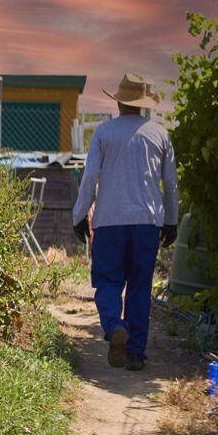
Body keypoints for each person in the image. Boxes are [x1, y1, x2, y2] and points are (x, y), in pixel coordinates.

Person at [71, 73, 179, 372]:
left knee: (107, 281)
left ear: (118, 101)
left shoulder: (104, 134)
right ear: (144, 106)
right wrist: (171, 221)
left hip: (109, 221)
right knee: (139, 287)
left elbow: (90, 177)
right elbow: (170, 184)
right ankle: (135, 354)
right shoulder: (160, 135)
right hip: (147, 221)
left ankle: (114, 326)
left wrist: (80, 215)